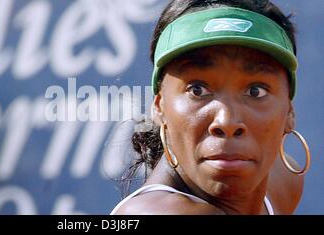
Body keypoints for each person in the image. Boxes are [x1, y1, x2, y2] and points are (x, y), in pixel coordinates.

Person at [111, 0, 311, 215]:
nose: (227, 121)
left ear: (289, 112)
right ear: (159, 107)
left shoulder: (284, 181)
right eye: (197, 90)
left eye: (256, 91)